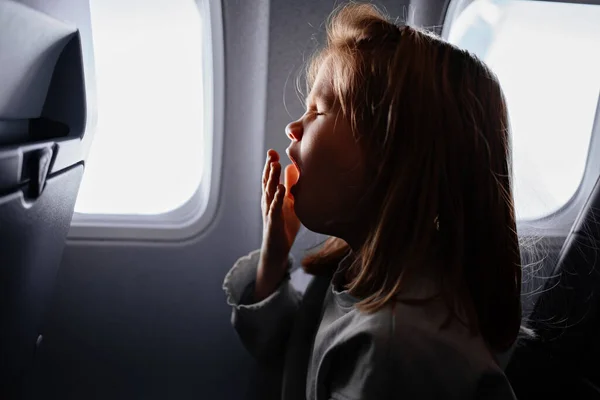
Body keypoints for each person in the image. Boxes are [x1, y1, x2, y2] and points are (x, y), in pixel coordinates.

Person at [223, 3, 522, 399]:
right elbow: (287, 353)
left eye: (319, 110)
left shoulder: (396, 349)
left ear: (391, 158)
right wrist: (274, 255)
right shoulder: (357, 270)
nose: (293, 127)